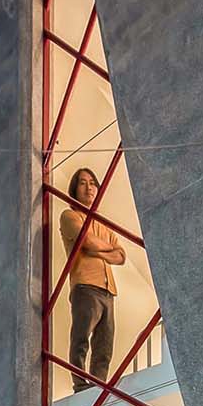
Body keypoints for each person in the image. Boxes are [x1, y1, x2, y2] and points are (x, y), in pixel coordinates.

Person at [61, 166, 125, 392]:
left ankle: (97, 387)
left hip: (109, 290)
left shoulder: (103, 225)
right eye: (82, 183)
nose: (89, 187)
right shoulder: (70, 216)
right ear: (74, 190)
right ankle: (80, 385)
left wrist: (97, 250)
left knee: (104, 346)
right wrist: (100, 248)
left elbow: (121, 255)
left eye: (92, 183)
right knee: (81, 338)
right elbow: (86, 241)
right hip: (85, 286)